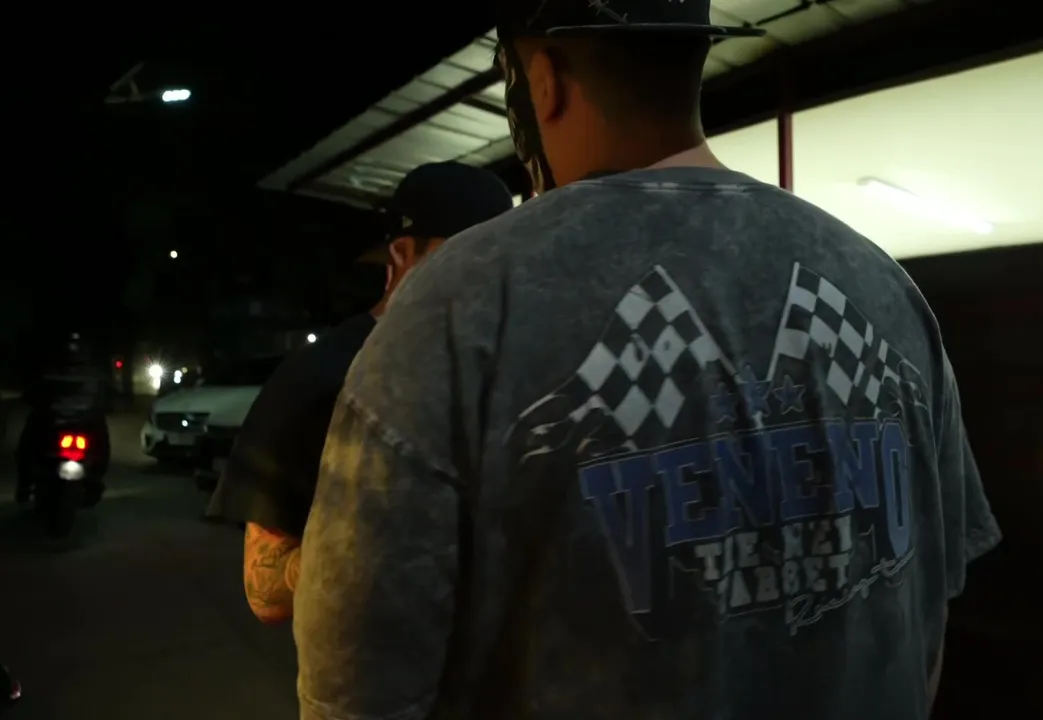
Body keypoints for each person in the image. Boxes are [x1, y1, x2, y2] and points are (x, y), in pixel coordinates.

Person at [294, 1, 1002, 718]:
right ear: (691, 63)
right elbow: (928, 622)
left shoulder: (456, 304)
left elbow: (355, 683)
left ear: (544, 83)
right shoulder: (881, 284)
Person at [203, 161, 514, 624]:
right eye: (470, 256)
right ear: (403, 254)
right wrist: (382, 537)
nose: (492, 277)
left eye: (503, 258)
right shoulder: (323, 374)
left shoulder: (507, 362)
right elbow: (266, 593)